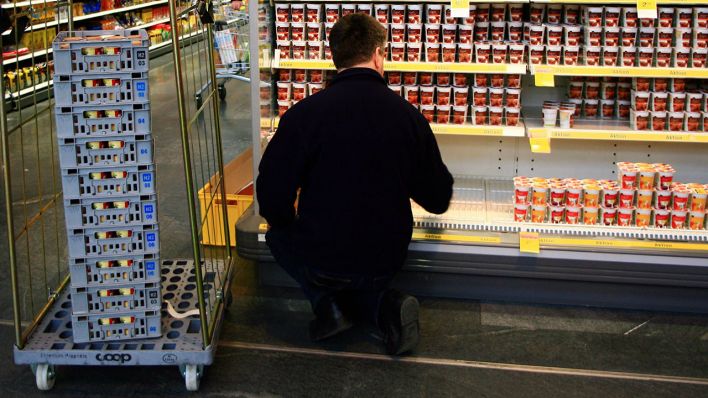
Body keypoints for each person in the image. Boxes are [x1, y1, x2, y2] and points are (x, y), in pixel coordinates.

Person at [256, 13, 453, 355]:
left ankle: (328, 302)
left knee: (276, 234)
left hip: (322, 254)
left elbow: (272, 196)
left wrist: (292, 223)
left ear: (334, 56)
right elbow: (437, 198)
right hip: (385, 256)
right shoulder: (408, 117)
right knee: (366, 263)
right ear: (378, 54)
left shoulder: (304, 115)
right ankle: (379, 304)